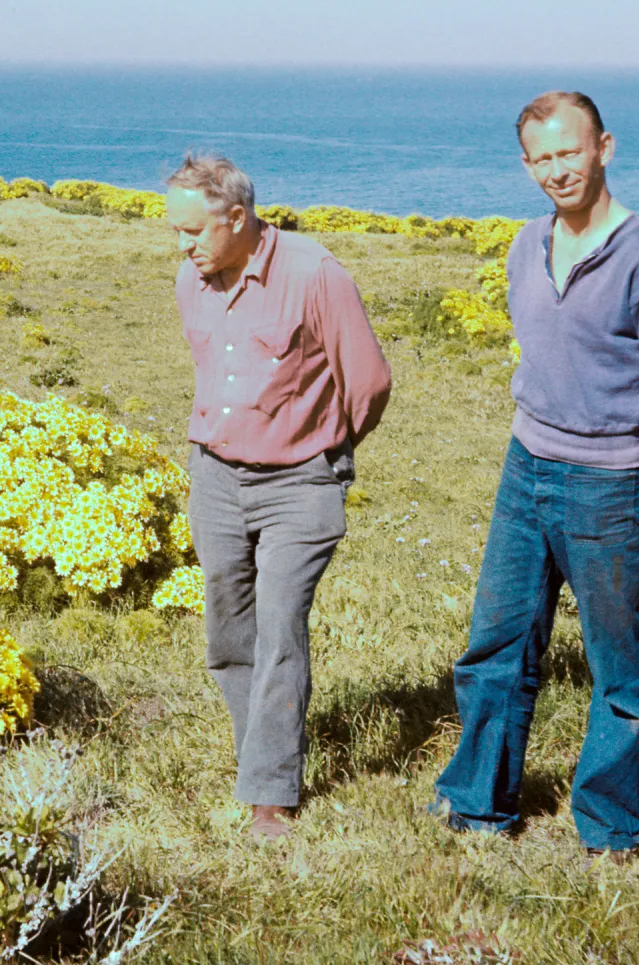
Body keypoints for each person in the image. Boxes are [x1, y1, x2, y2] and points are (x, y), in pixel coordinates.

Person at [429, 92, 639, 863]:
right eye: (542, 157)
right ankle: (477, 804)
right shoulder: (526, 245)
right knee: (497, 643)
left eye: (571, 151)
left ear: (605, 148)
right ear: (527, 165)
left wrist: (627, 455)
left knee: (618, 664)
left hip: (611, 486)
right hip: (525, 468)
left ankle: (613, 826)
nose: (559, 169)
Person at [165, 153, 392, 840]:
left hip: (299, 482)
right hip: (215, 477)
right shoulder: (190, 280)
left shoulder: (314, 274)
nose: (183, 247)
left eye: (194, 232)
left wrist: (323, 447)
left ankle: (270, 793)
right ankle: (257, 754)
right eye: (175, 233)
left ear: (238, 218)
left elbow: (370, 383)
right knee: (228, 632)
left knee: (279, 625)